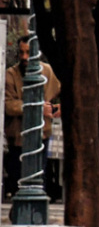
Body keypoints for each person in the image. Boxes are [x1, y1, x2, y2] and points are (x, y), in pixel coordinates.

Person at [4, 35, 61, 198]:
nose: (24, 57)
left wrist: (56, 108)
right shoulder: (11, 74)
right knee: (19, 180)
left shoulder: (48, 71)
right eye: (21, 53)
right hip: (18, 136)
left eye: (28, 53)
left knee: (40, 176)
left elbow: (61, 91)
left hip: (42, 133)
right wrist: (35, 107)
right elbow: (8, 105)